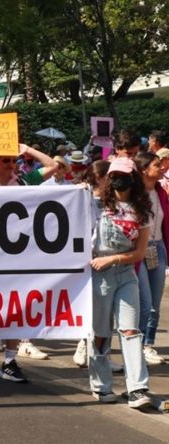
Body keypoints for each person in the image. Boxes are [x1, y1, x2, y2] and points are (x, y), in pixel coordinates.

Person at [0, 143, 58, 375]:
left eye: (13, 159)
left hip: (16, 256)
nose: (12, 163)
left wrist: (27, 149)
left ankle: (9, 362)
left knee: (16, 306)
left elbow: (53, 165)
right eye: (5, 160)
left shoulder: (24, 181)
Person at [87, 157, 159, 408]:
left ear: (132, 178)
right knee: (100, 334)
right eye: (114, 173)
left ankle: (138, 388)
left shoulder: (142, 210)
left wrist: (114, 259)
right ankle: (101, 385)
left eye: (123, 174)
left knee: (130, 332)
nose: (118, 178)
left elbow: (139, 253)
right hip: (99, 276)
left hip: (126, 274)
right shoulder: (94, 204)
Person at [134, 152, 169, 365]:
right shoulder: (134, 194)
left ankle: (147, 344)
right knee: (145, 303)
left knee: (155, 302)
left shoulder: (161, 192)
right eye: (158, 165)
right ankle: (135, 345)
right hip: (138, 250)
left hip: (158, 248)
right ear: (145, 169)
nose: (163, 168)